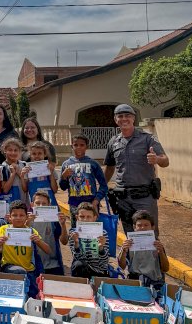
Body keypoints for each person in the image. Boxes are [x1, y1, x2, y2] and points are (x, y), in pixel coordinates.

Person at [104, 104, 169, 234]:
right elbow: (110, 167)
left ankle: (153, 248)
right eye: (120, 116)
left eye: (127, 116)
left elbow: (165, 161)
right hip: (122, 198)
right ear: (116, 120)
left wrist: (156, 159)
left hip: (144, 197)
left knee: (149, 234)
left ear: (133, 118)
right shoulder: (113, 142)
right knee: (130, 235)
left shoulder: (147, 139)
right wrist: (101, 186)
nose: (124, 119)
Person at [59, 134, 108, 225]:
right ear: (72, 146)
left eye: (82, 145)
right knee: (76, 229)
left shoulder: (93, 163)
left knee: (92, 230)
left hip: (91, 204)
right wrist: (63, 176)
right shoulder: (66, 164)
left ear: (86, 147)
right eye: (76, 145)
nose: (78, 147)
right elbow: (63, 187)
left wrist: (96, 201)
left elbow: (104, 186)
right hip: (74, 204)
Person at [116, 209, 169, 291]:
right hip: (135, 281)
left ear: (152, 227)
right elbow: (122, 266)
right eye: (139, 225)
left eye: (146, 225)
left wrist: (161, 252)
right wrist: (124, 251)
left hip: (155, 283)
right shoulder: (129, 243)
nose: (143, 228)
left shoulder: (157, 244)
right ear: (134, 227)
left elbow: (165, 268)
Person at [0, 200, 48, 276]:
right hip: (8, 267)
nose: (18, 218)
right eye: (15, 215)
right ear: (10, 217)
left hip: (29, 270)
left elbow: (48, 250)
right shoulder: (4, 229)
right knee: (19, 272)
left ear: (27, 217)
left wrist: (39, 241)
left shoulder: (31, 231)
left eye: (21, 215)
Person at [30, 191, 68, 275]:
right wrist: (26, 224)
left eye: (44, 203)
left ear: (49, 205)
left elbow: (64, 241)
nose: (41, 206)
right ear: (32, 205)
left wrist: (63, 225)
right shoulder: (27, 221)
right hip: (33, 265)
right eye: (37, 203)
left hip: (52, 264)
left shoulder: (54, 220)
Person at [69, 203, 109, 278]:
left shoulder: (102, 234)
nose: (85, 220)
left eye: (89, 217)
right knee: (78, 265)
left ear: (94, 218)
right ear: (77, 217)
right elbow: (77, 258)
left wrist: (101, 248)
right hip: (81, 269)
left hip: (98, 271)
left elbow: (104, 262)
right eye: (82, 216)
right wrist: (76, 243)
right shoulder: (73, 234)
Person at [0, 137, 28, 205]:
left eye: (15, 150)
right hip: (10, 203)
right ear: (5, 150)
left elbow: (26, 189)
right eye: (10, 150)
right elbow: (5, 190)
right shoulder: (2, 167)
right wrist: (13, 174)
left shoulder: (24, 164)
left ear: (19, 151)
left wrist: (20, 173)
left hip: (24, 202)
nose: (13, 153)